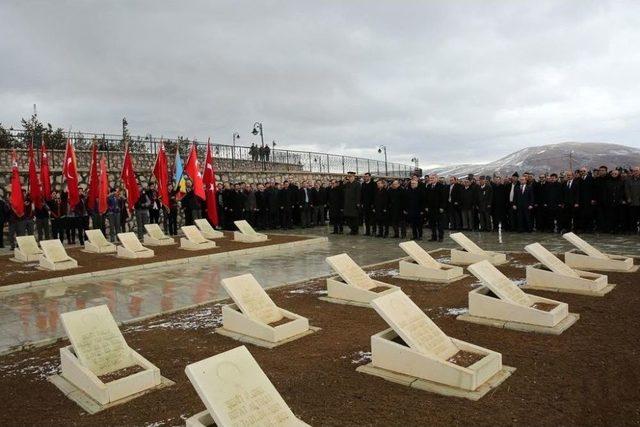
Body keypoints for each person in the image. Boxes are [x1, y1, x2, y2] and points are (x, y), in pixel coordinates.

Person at [425, 175, 446, 241]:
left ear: (437, 179)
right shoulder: (428, 186)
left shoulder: (441, 186)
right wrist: (426, 206)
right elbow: (426, 197)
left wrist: (442, 207)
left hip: (438, 208)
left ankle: (440, 237)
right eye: (430, 178)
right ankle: (433, 237)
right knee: (432, 223)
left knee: (440, 224)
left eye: (433, 178)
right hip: (431, 208)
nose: (431, 179)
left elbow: (444, 198)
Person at [625, 166, 640, 233]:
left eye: (637, 170)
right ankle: (633, 230)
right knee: (632, 217)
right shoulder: (629, 180)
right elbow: (627, 190)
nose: (635, 172)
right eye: (634, 171)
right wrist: (628, 198)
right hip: (632, 201)